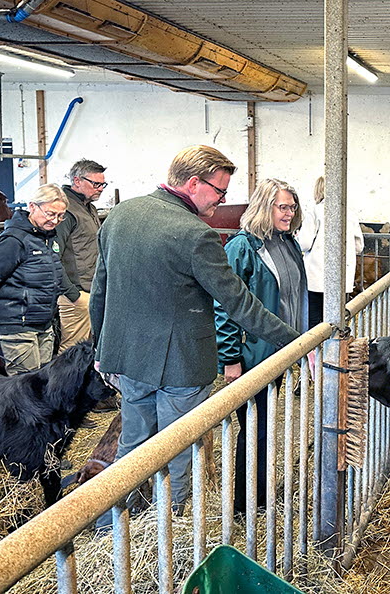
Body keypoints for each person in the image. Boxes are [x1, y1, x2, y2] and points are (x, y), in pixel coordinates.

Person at [90, 146, 300, 513]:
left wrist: (101, 349)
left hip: (127, 357)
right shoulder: (195, 234)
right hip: (179, 366)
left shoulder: (120, 215)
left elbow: (100, 290)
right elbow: (239, 303)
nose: (222, 200)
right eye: (219, 191)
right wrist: (299, 344)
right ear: (193, 183)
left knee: (132, 445)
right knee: (177, 450)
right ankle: (165, 529)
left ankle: (116, 525)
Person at [215, 178, 308, 514]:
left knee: (265, 428)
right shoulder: (243, 248)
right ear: (264, 207)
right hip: (253, 355)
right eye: (283, 207)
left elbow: (294, 297)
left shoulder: (288, 243)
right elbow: (224, 306)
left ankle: (261, 494)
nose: (289, 213)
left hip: (279, 353)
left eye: (292, 207)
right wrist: (230, 358)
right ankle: (245, 505)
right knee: (254, 429)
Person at [0, 184, 80, 374]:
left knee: (43, 385)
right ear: (32, 206)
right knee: (24, 391)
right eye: (50, 213)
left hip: (43, 325)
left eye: (60, 216)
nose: (55, 220)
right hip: (17, 328)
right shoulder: (13, 240)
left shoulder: (48, 239)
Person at [54, 159, 107, 353]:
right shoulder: (65, 211)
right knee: (71, 353)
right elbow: (53, 257)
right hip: (77, 295)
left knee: (87, 351)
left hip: (90, 291)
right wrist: (72, 294)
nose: (100, 189)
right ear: (77, 181)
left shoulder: (89, 207)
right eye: (96, 184)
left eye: (103, 184)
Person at [298, 175, 365, 328]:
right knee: (338, 321)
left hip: (317, 279)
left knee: (315, 321)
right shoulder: (349, 213)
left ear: (318, 190)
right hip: (343, 279)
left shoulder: (315, 211)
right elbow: (359, 246)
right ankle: (336, 350)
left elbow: (304, 243)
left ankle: (316, 351)